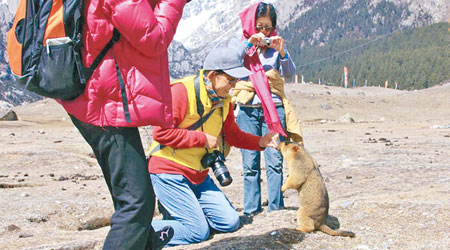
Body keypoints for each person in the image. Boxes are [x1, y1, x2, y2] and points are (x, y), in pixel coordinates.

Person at [59, 0, 190, 249]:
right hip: (103, 105)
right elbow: (154, 39)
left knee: (130, 195)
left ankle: (147, 243)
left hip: (93, 97)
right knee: (136, 203)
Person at [147, 47, 280, 246]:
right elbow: (161, 133)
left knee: (230, 222)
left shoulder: (223, 101)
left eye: (236, 81)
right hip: (169, 172)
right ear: (212, 75)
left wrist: (260, 142)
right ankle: (139, 232)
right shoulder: (181, 92)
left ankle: (183, 216)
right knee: (197, 232)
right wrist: (202, 139)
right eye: (230, 80)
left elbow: (233, 135)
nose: (233, 87)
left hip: (198, 175)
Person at [230, 2, 303, 216]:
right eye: (259, 27)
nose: (264, 32)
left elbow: (289, 73)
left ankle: (275, 207)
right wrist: (248, 44)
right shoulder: (243, 44)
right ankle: (251, 208)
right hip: (248, 109)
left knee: (274, 161)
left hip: (274, 109)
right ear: (252, 25)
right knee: (250, 162)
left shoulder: (276, 47)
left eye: (268, 28)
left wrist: (282, 52)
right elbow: (232, 62)